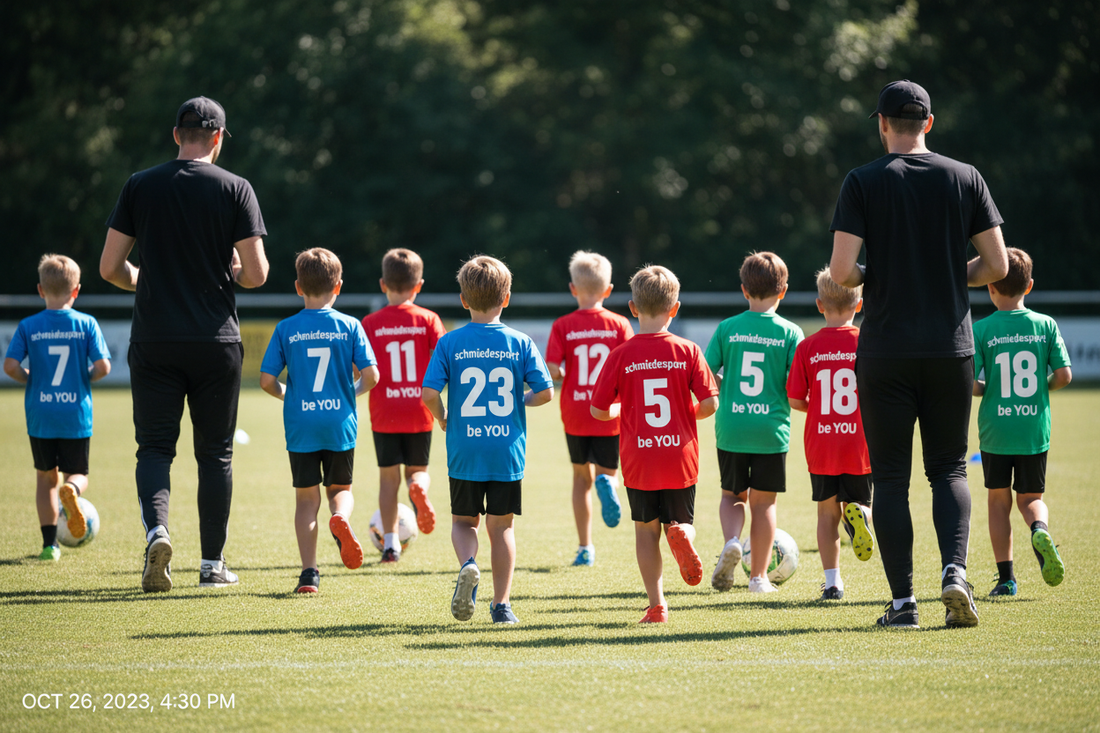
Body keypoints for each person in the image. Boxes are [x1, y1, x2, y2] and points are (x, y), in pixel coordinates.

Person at [830, 79, 1009, 629]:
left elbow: (842, 273)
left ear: (883, 124)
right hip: (949, 348)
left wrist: (879, 274)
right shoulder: (965, 176)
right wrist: (948, 273)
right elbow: (998, 265)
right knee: (949, 469)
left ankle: (903, 603)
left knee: (889, 478)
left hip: (885, 350)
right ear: (929, 123)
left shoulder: (862, 180)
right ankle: (955, 572)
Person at [100, 96, 270, 592]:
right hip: (215, 340)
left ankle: (157, 532)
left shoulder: (139, 185)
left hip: (154, 338)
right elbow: (257, 273)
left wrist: (143, 279)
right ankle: (212, 565)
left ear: (177, 135)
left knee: (154, 448)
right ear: (218, 138)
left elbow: (110, 268)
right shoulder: (236, 188)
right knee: (215, 454)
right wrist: (233, 271)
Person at [421, 256, 554, 624]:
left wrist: (443, 416)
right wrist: (520, 400)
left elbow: (428, 393)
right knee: (502, 527)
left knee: (464, 522)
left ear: (463, 299)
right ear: (506, 298)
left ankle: (468, 563)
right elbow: (545, 392)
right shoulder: (520, 342)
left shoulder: (450, 342)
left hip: (465, 449)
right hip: (506, 451)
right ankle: (502, 606)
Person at [590, 265, 719, 623]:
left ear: (633, 308)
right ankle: (682, 533)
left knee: (646, 531)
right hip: (679, 455)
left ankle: (657, 605)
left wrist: (621, 411)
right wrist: (686, 414)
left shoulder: (620, 355)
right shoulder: (688, 350)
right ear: (674, 308)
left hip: (639, 459)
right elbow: (710, 403)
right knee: (681, 520)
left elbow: (598, 410)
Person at [260, 248, 379, 593]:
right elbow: (371, 376)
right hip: (339, 423)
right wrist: (351, 393)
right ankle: (339, 517)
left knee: (306, 500)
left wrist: (288, 395)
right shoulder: (350, 325)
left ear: (298, 287)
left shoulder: (286, 328)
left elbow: (266, 381)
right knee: (340, 490)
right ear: (338, 287)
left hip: (301, 425)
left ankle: (309, 573)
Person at [972, 247, 1071, 597]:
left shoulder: (982, 329)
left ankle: (1006, 579)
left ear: (990, 287)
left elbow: (970, 384)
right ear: (1029, 286)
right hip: (1033, 430)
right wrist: (1042, 389)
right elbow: (1064, 375)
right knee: (1030, 498)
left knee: (998, 502)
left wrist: (989, 389)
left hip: (996, 431)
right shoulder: (1046, 325)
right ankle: (1039, 527)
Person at [704, 252, 803, 594]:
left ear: (744, 290)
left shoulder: (727, 328)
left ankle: (732, 541)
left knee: (732, 494)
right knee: (764, 503)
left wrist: (727, 384)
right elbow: (796, 385)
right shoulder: (791, 332)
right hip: (770, 431)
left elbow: (705, 375)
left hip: (732, 427)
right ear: (783, 291)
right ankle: (758, 577)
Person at [4, 255, 111, 560]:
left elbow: (10, 366)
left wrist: (30, 378)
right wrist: (84, 376)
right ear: (76, 290)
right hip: (75, 413)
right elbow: (103, 367)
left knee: (45, 478)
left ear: (40, 290)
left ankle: (49, 546)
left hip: (41, 414)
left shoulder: (29, 326)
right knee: (77, 474)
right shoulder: (86, 323)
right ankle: (73, 491)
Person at [786, 266, 874, 602]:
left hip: (822, 441)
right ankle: (863, 514)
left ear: (820, 305)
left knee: (826, 513)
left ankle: (833, 583)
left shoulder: (808, 347)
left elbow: (795, 399)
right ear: (860, 303)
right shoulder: (867, 343)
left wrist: (820, 408)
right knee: (861, 500)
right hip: (859, 439)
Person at [545, 251, 634, 567]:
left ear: (573, 288)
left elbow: (552, 369)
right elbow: (629, 365)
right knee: (608, 472)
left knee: (580, 479)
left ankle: (585, 548)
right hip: (608, 412)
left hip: (575, 413)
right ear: (608, 290)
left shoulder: (563, 325)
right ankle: (609, 482)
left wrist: (564, 373)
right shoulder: (620, 324)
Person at [361, 248, 447, 563]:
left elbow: (359, 369)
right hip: (419, 410)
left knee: (388, 479)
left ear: (383, 284)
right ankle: (418, 488)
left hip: (384, 412)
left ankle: (391, 545)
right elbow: (445, 360)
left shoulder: (370, 323)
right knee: (418, 471)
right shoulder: (428, 319)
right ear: (418, 285)